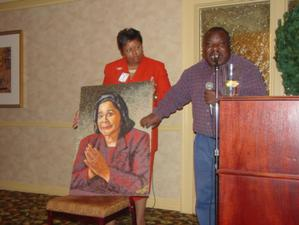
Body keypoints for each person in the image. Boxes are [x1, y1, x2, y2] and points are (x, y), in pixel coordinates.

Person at [140, 27, 267, 225]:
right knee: (206, 194)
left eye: (220, 44)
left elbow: (259, 102)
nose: (214, 49)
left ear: (229, 46)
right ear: (203, 48)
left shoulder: (246, 69)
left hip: (237, 143)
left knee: (236, 193)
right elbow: (175, 95)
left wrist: (222, 99)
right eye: (209, 44)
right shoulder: (193, 74)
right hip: (204, 142)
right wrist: (157, 113)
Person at [102, 28, 171, 225]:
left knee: (139, 182)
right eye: (130, 50)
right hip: (116, 135)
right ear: (122, 51)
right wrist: (85, 111)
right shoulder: (111, 68)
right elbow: (103, 98)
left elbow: (168, 99)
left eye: (138, 48)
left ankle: (139, 222)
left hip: (143, 134)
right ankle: (110, 220)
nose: (135, 54)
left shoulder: (156, 67)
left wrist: (155, 95)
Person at [70, 92, 150, 196]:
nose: (104, 120)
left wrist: (105, 171)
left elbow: (141, 187)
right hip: (90, 197)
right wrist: (91, 172)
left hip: (119, 197)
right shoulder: (87, 142)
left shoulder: (138, 138)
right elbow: (72, 181)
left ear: (122, 115)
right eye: (100, 115)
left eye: (110, 114)